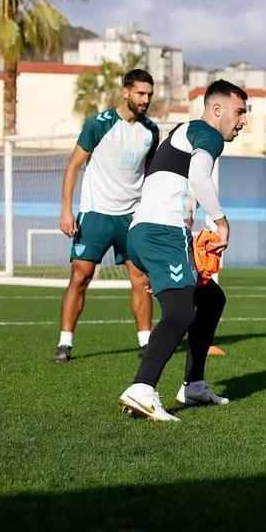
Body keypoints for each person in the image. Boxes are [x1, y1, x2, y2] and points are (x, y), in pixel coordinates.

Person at [117, 80, 246, 422]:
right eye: (239, 112)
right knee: (180, 313)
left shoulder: (184, 130)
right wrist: (222, 223)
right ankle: (142, 388)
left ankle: (194, 385)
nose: (243, 121)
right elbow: (200, 179)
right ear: (217, 109)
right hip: (163, 232)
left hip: (149, 233)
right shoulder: (208, 133)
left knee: (211, 299)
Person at [53, 69, 159, 363]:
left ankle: (146, 342)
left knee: (141, 278)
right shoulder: (98, 124)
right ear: (125, 92)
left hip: (132, 217)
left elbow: (151, 175)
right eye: (140, 93)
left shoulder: (151, 131)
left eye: (149, 94)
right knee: (80, 276)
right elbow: (73, 166)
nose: (145, 99)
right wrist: (66, 210)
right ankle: (64, 344)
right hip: (96, 214)